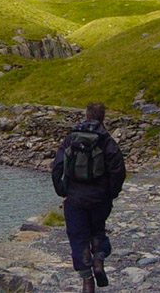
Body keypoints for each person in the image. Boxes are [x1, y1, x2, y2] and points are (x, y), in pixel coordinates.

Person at [51, 102, 126, 292]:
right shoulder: (107, 141)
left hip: (75, 198)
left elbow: (57, 166)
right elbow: (118, 171)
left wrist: (62, 190)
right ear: (103, 118)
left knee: (78, 236)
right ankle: (99, 259)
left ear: (86, 116)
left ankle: (87, 281)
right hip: (100, 198)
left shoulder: (71, 138)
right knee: (98, 230)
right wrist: (111, 193)